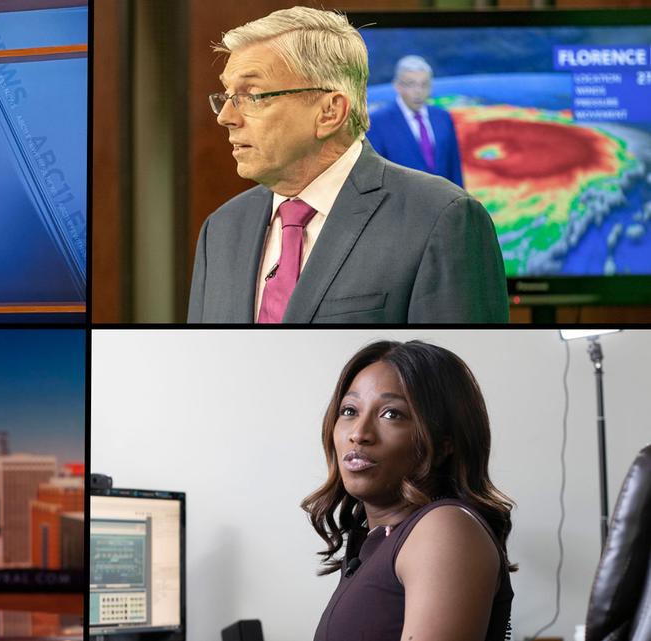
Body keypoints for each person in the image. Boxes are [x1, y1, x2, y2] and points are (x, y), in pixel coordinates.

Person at [187, 7, 508, 323]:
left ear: (329, 112)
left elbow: (444, 368)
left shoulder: (441, 217)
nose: (225, 116)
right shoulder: (221, 229)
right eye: (227, 95)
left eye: (252, 95)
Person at [303, 340, 514, 641]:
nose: (359, 434)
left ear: (444, 442)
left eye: (391, 414)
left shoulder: (444, 528)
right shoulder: (372, 545)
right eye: (349, 410)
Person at [367, 55, 465, 187]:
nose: (418, 91)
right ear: (397, 86)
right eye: (411, 84)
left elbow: (454, 170)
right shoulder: (378, 122)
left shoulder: (443, 118)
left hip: (442, 204)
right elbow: (374, 176)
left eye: (424, 84)